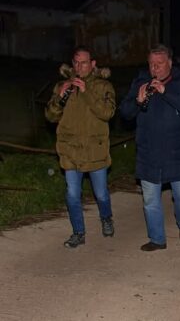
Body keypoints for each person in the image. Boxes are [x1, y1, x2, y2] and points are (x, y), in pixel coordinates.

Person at [119, 44, 180, 251]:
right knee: (150, 200)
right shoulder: (140, 83)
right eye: (152, 64)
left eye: (160, 64)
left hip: (178, 153)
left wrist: (165, 92)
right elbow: (125, 113)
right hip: (149, 152)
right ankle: (157, 239)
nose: (155, 69)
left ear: (170, 63)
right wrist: (138, 101)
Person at [45, 46, 116, 248]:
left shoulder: (103, 86)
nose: (79, 67)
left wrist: (86, 93)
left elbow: (107, 113)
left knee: (101, 193)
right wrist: (60, 96)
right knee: (72, 195)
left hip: (95, 150)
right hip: (70, 150)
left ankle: (106, 218)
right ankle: (78, 232)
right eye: (76, 62)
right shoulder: (63, 85)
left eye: (84, 62)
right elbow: (50, 116)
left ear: (92, 64)